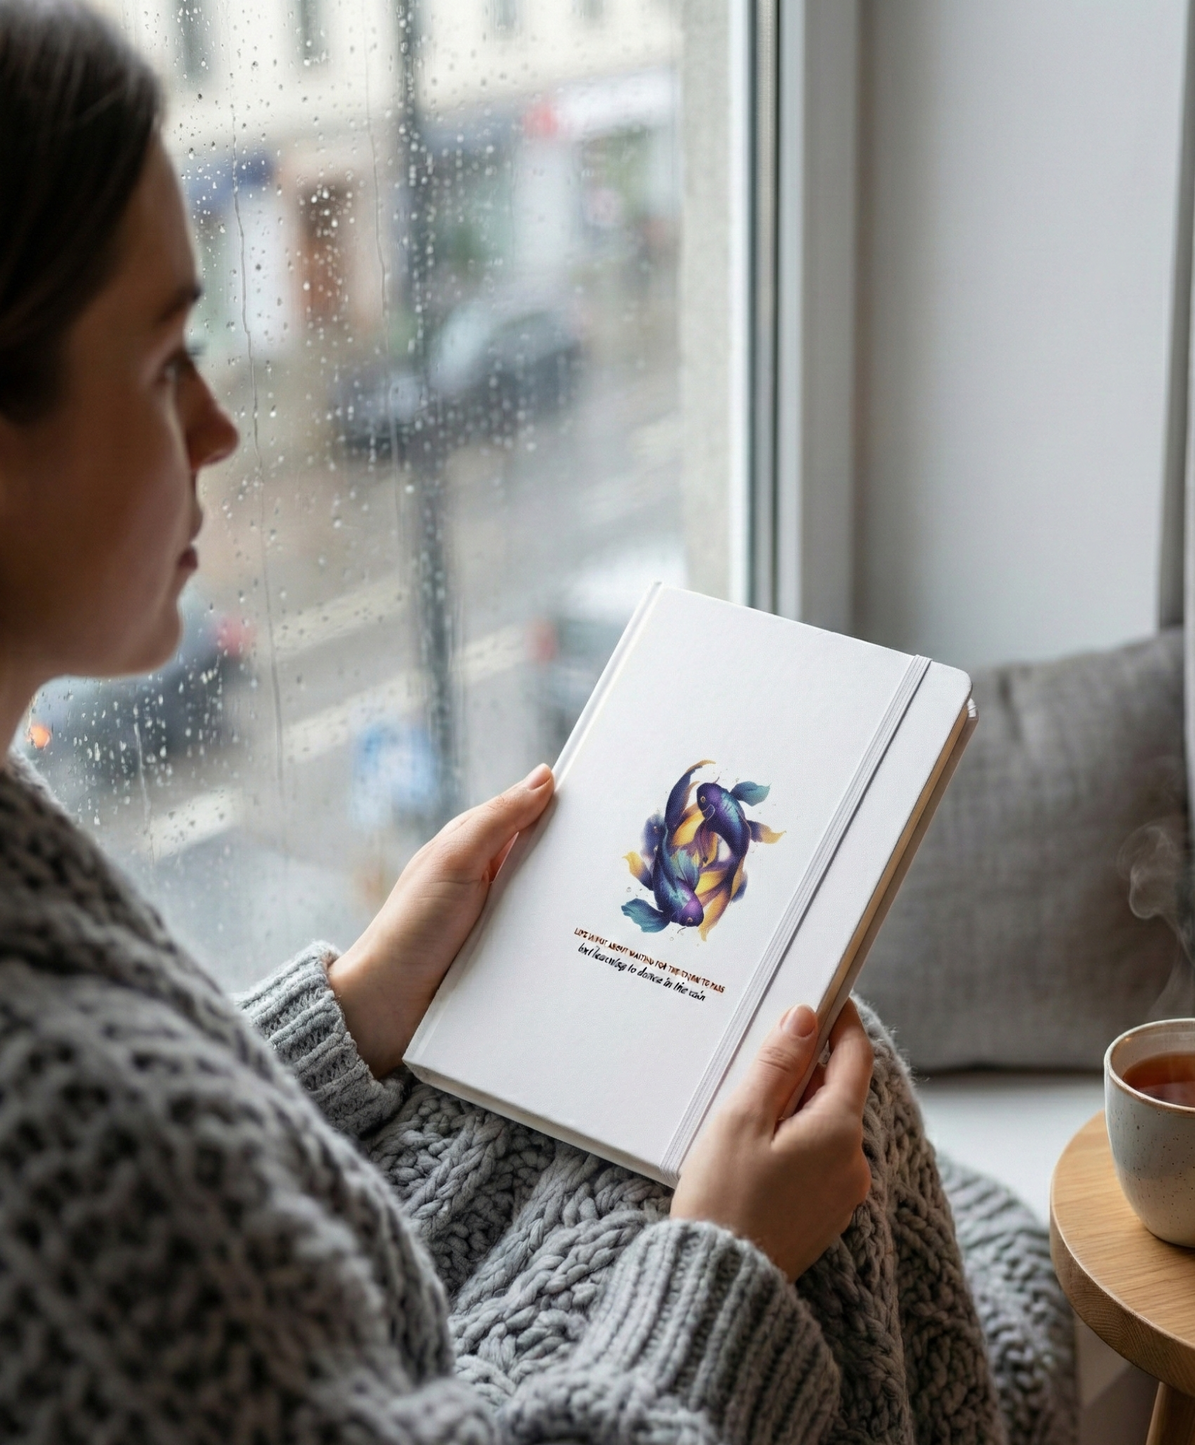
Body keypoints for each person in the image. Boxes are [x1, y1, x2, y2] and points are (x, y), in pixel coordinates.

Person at [0, 4, 1073, 1442]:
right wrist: (727, 1269)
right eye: (160, 364)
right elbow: (129, 1191)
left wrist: (353, 1013)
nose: (218, 428)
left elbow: (165, 1193)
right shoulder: (57, 1121)